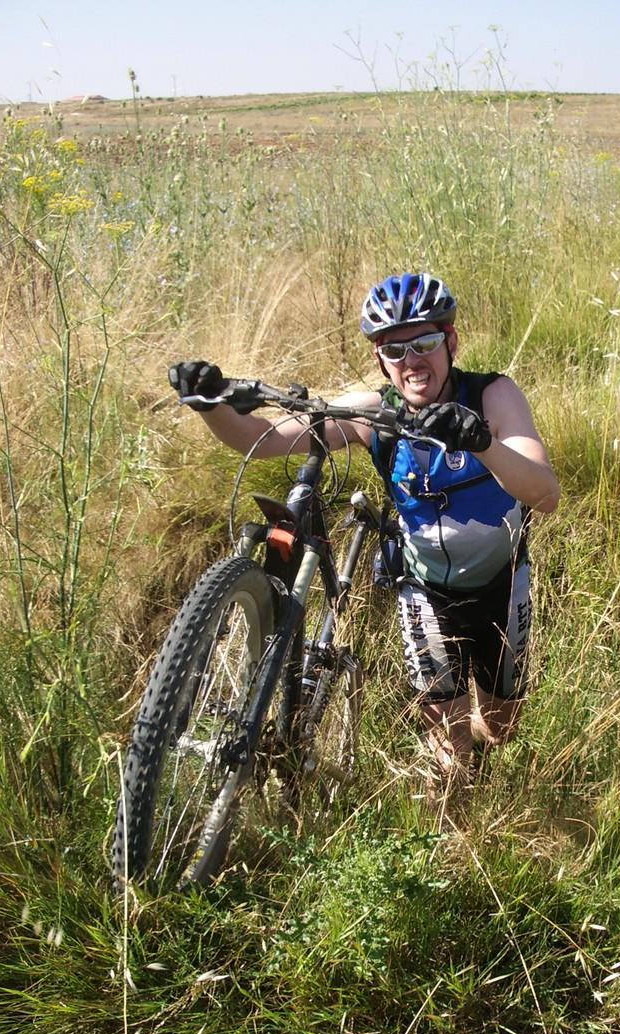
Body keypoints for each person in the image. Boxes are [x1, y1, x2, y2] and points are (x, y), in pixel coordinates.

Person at [171, 272, 559, 803]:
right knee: (447, 747)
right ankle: (451, 836)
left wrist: (483, 443)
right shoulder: (377, 414)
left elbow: (544, 493)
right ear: (380, 360)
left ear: (451, 341)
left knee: (499, 728)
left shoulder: (493, 396)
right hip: (424, 590)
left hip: (502, 584)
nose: (411, 360)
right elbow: (262, 439)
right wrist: (209, 404)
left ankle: (478, 741)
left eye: (424, 343)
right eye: (394, 350)